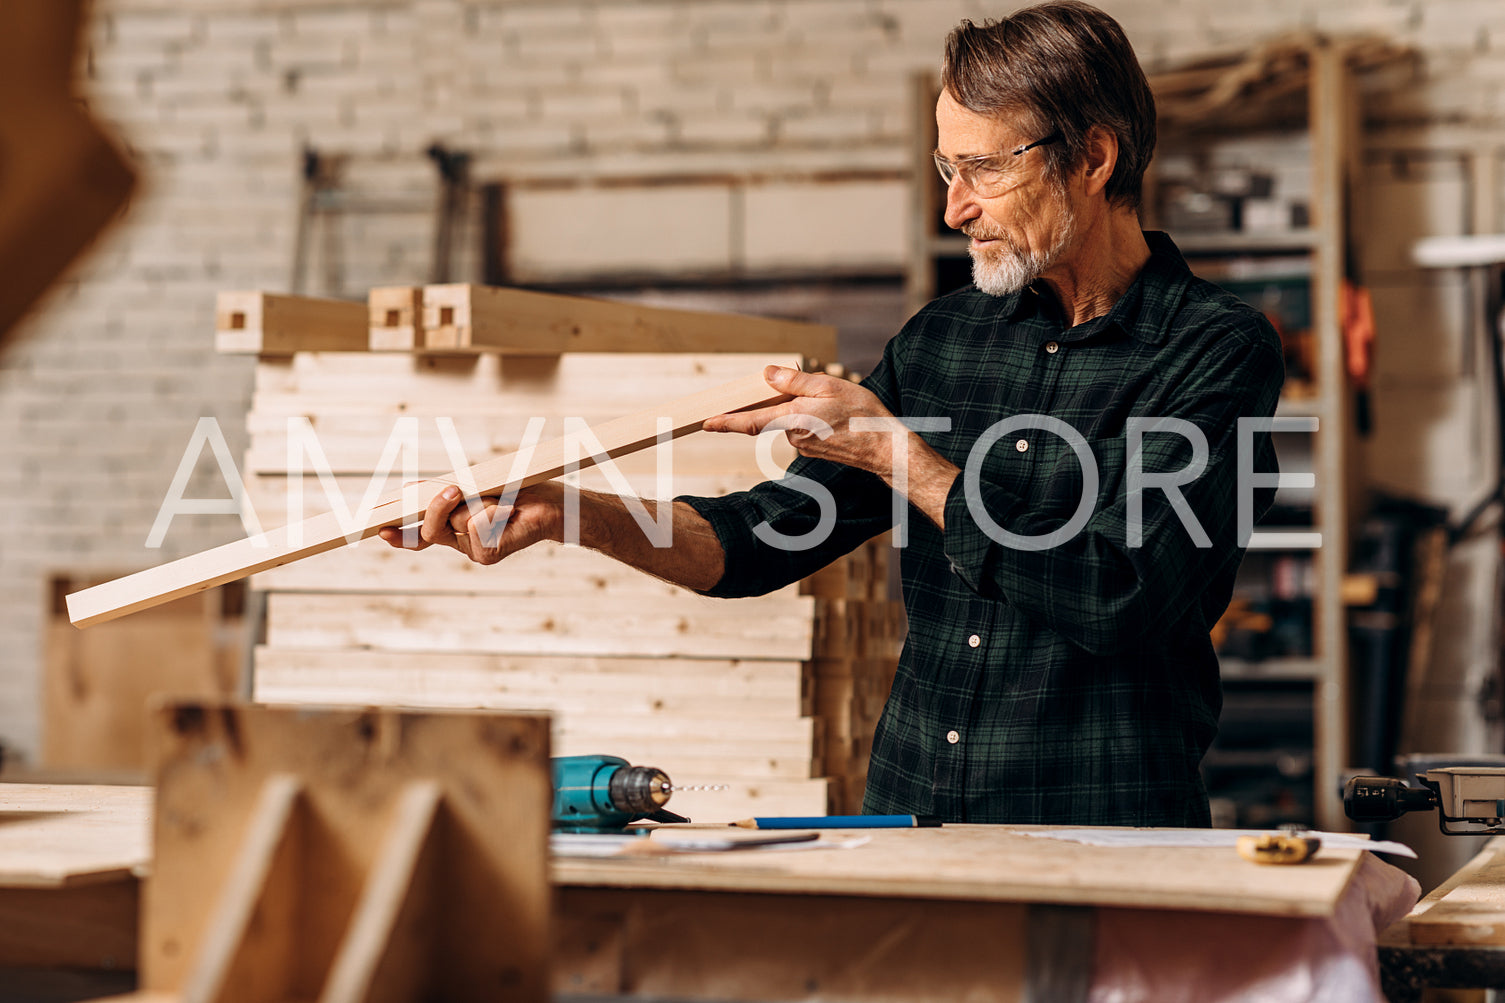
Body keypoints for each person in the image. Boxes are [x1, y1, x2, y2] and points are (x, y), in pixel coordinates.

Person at [380, 0, 1284, 827]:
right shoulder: (940, 342)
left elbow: (1120, 593)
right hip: (913, 826)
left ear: (1091, 158)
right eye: (945, 166)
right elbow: (757, 541)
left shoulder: (1213, 352)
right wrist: (572, 512)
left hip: (1105, 835)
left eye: (980, 168)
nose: (952, 206)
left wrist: (903, 459)